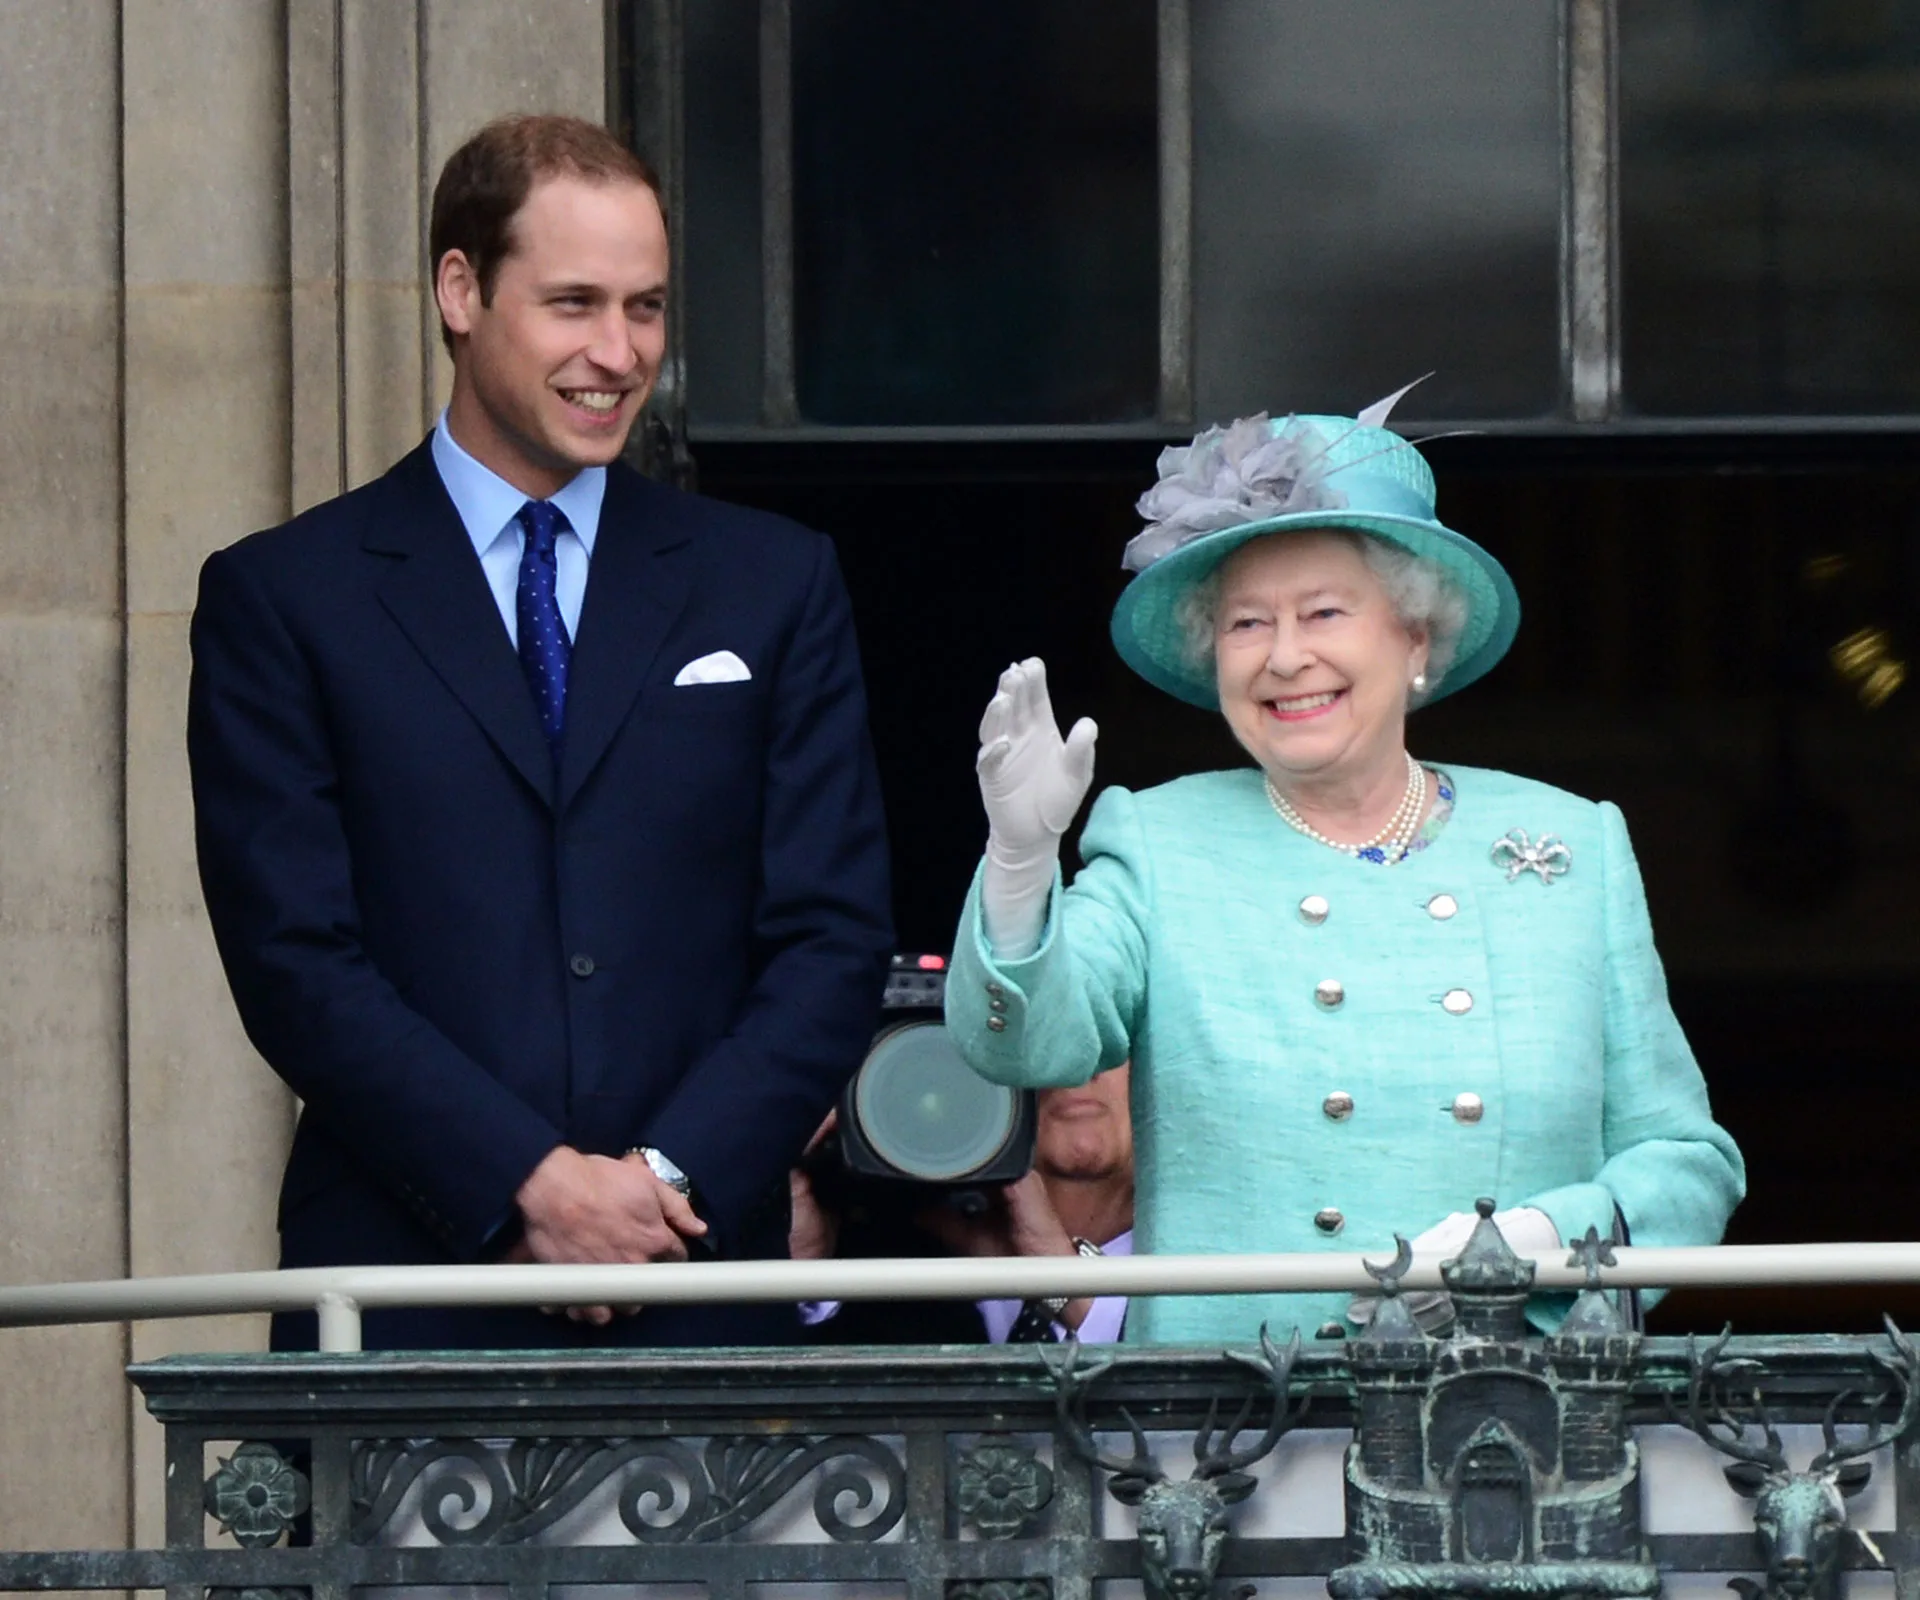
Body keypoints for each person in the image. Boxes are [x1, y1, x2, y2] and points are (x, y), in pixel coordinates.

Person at [187, 113, 892, 1350]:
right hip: (408, 1291)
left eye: (647, 308)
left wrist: (664, 1181)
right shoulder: (286, 596)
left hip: (704, 1287)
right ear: (462, 290)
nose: (619, 353)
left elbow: (831, 938)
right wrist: (529, 1181)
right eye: (574, 303)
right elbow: (295, 960)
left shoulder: (773, 582)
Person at [944, 391, 1745, 1344]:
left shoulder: (1571, 844)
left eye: (1323, 612)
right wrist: (1021, 859)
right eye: (1246, 624)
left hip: (1510, 1419)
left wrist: (1535, 1244)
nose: (1286, 658)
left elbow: (1685, 1161)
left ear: (1414, 637)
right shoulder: (1159, 841)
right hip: (1225, 1439)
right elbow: (1026, 1049)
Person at [792, 1064, 1136, 1343]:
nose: (1076, 1065)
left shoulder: (1188, 1275)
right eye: (1040, 1035)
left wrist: (1070, 1289)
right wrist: (799, 1272)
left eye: (1113, 1031)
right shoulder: (891, 1274)